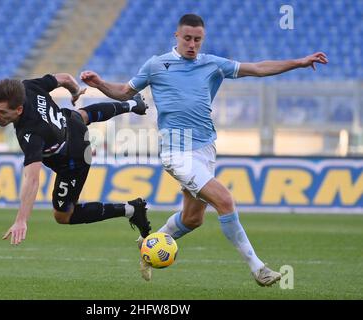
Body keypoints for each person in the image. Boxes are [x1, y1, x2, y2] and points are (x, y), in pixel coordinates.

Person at [80, 13, 328, 286]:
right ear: (177, 36)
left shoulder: (212, 64)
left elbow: (257, 69)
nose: (192, 44)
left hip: (205, 148)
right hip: (176, 151)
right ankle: (258, 268)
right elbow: (126, 92)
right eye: (187, 38)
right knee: (224, 200)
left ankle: (148, 245)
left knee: (193, 218)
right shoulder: (156, 64)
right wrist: (100, 84)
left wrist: (299, 62)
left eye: (197, 39)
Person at [0, 73, 151, 246]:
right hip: (69, 123)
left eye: (2, 112)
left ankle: (131, 209)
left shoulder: (31, 134)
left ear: (19, 109)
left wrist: (21, 220)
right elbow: (66, 79)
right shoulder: (28, 86)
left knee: (63, 215)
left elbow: (32, 179)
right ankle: (134, 104)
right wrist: (75, 92)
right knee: (81, 115)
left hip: (74, 159)